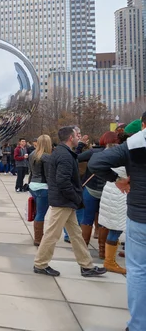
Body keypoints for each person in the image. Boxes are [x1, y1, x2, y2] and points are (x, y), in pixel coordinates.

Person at [89, 112, 146, 331]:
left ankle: (138, 325)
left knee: (138, 270)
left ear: (143, 125)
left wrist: (118, 180)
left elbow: (96, 162)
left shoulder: (134, 145)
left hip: (140, 216)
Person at [33, 126, 106, 278]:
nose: (79, 137)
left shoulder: (62, 153)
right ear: (70, 138)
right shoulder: (65, 156)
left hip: (65, 201)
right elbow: (63, 181)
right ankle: (40, 264)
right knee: (52, 234)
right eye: (77, 135)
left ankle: (87, 266)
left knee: (76, 235)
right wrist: (76, 198)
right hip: (63, 201)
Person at [96, 132, 128, 274]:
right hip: (119, 195)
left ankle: (108, 257)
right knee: (115, 229)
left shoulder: (108, 154)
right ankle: (109, 261)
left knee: (112, 226)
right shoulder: (122, 156)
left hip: (110, 191)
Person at [28, 134, 53, 246]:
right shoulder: (46, 157)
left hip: (33, 184)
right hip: (43, 186)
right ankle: (38, 239)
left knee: (38, 212)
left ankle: (38, 237)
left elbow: (31, 171)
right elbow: (48, 176)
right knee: (40, 213)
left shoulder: (33, 154)